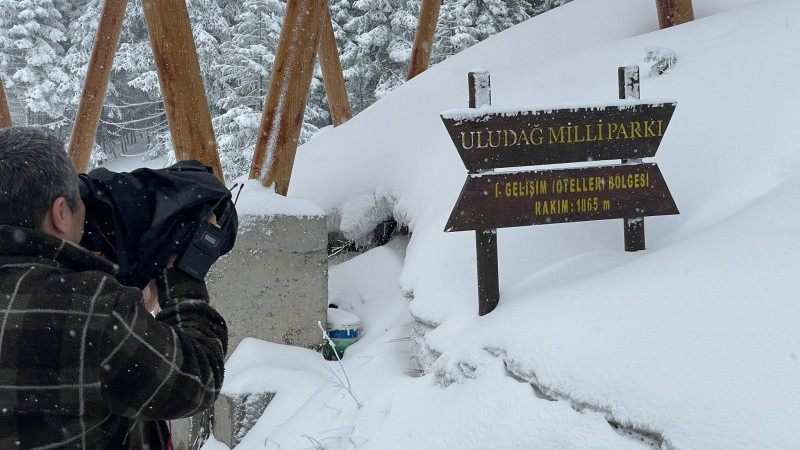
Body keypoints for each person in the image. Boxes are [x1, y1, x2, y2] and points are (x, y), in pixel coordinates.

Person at [0, 127, 228, 449]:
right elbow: (197, 380)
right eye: (79, 202)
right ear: (61, 214)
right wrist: (181, 278)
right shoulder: (95, 310)